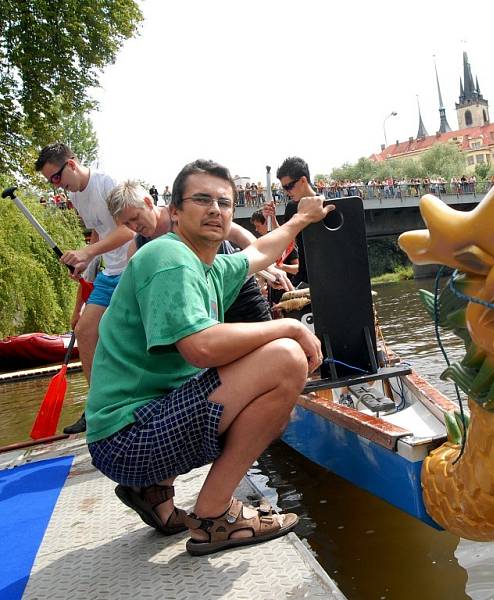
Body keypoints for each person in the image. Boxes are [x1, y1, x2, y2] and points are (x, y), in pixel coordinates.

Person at [85, 159, 334, 556]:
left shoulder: (209, 264)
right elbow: (199, 347)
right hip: (129, 438)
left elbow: (262, 252)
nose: (215, 209)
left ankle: (153, 492)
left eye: (224, 202)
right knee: (286, 359)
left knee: (277, 402)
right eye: (201, 200)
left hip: (133, 431)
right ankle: (214, 517)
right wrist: (290, 327)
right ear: (174, 211)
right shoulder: (169, 258)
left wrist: (302, 218)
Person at [35, 142, 135, 434]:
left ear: (72, 163)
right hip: (109, 271)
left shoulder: (108, 185)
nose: (57, 186)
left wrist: (88, 254)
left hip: (132, 268)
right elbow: (97, 232)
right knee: (85, 330)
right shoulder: (76, 195)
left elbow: (128, 229)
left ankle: (131, 402)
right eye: (51, 182)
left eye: (57, 178)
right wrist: (86, 266)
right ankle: (97, 408)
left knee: (116, 333)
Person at [109, 181, 292, 322]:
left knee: (270, 350)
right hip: (201, 307)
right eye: (127, 224)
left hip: (238, 291)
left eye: (135, 218)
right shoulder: (137, 249)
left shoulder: (186, 214)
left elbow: (238, 234)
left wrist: (269, 267)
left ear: (148, 203)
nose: (134, 226)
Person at [275, 156, 323, 287]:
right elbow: (288, 239)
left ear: (303, 180)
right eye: (284, 188)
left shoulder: (327, 205)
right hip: (304, 277)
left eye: (289, 186)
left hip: (327, 276)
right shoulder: (291, 207)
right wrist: (272, 219)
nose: (286, 192)